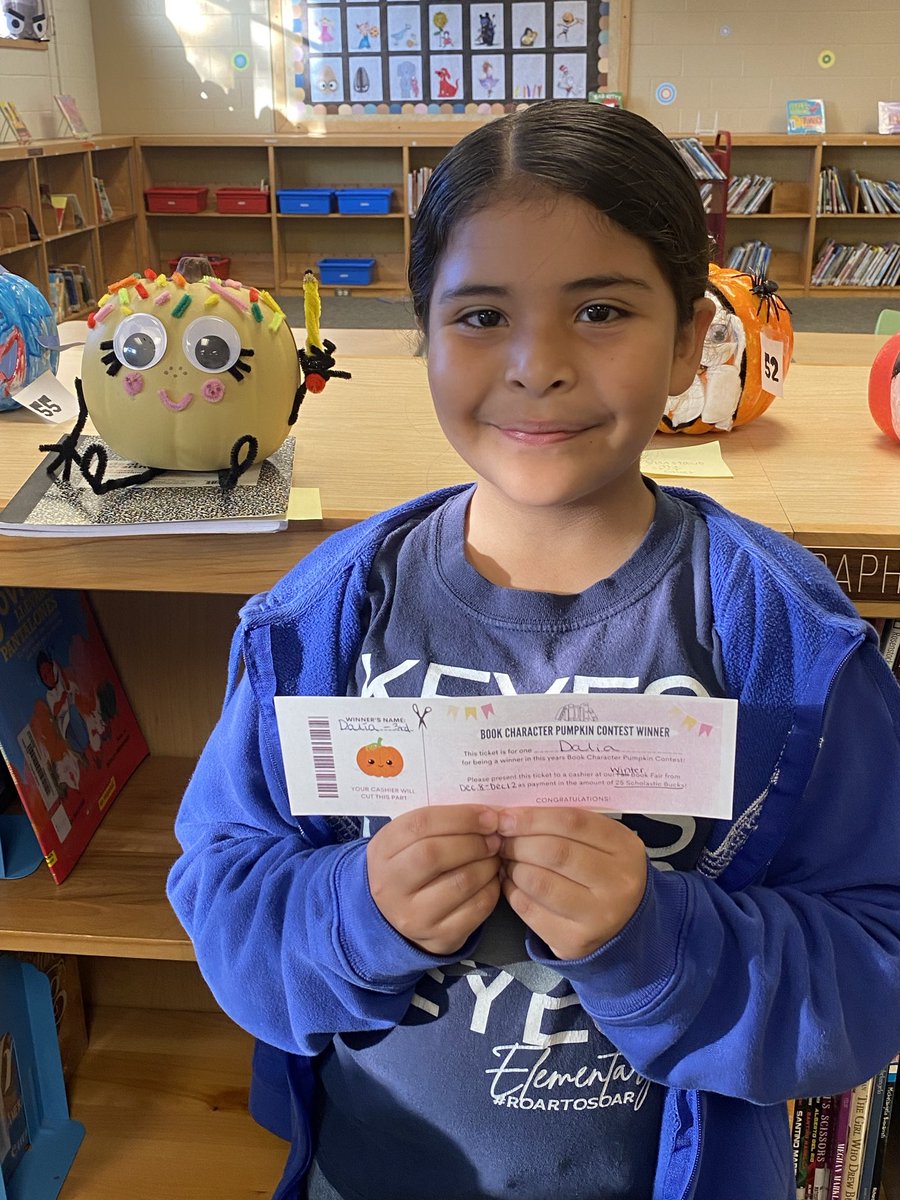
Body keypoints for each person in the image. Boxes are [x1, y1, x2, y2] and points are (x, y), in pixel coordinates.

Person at [167, 101, 900, 1200]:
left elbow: (872, 967)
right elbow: (226, 894)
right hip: (369, 1171)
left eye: (601, 309)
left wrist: (660, 939)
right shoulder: (317, 620)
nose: (536, 365)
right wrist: (352, 912)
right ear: (422, 328)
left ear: (695, 338)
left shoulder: (787, 641)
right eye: (478, 316)